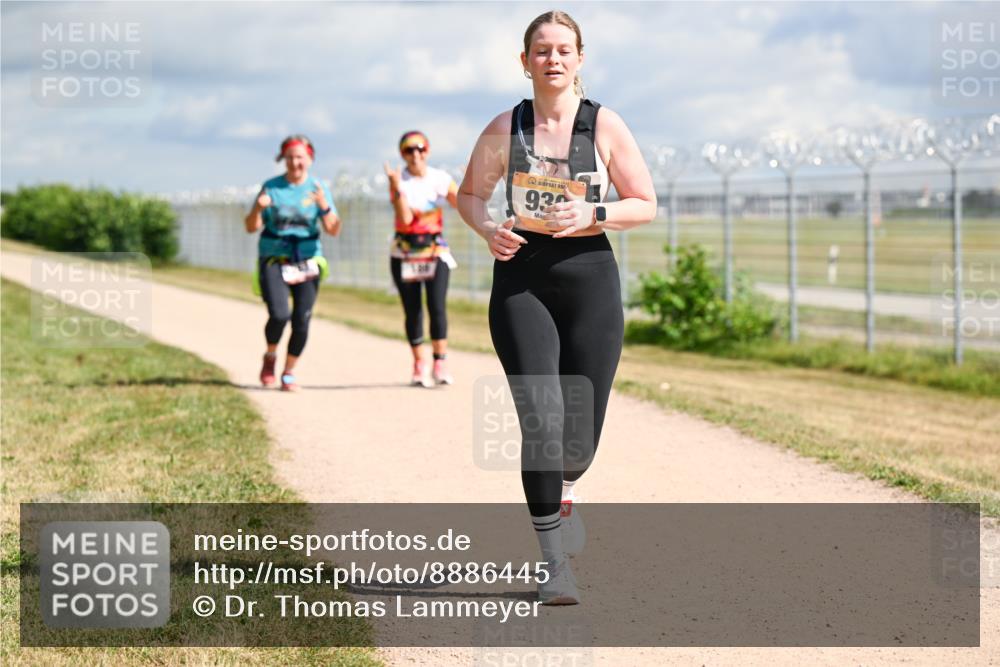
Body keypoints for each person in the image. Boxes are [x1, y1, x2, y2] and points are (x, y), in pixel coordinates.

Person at [457, 11, 656, 604]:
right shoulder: (505, 126)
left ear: (580, 58)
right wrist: (488, 228)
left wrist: (596, 214)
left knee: (578, 444)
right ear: (525, 62)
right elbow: (469, 194)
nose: (553, 59)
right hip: (521, 280)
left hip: (590, 278)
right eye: (541, 50)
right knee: (541, 423)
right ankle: (552, 564)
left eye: (564, 49)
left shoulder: (604, 125)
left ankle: (566, 491)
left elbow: (644, 202)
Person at [244, 134, 341, 392]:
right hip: (275, 258)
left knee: (302, 319)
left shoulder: (319, 189)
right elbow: (250, 227)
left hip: (307, 259)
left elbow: (333, 230)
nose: (295, 162)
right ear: (283, 159)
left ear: (309, 159)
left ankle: (288, 371)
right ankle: (270, 356)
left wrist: (324, 207)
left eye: (300, 157)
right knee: (279, 314)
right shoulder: (271, 187)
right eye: (290, 157)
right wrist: (257, 208)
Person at [384, 131, 459, 387]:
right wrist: (395, 187)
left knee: (437, 306)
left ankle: (440, 362)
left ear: (427, 150)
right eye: (408, 150)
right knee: (413, 309)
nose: (415, 154)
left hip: (435, 251)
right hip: (405, 252)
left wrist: (470, 183)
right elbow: (404, 219)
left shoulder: (440, 178)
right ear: (402, 154)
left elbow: (462, 202)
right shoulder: (399, 180)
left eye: (420, 148)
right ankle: (419, 364)